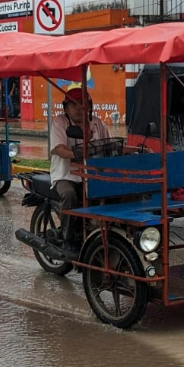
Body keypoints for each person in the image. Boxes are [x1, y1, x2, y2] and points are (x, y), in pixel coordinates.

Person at [49, 86, 111, 250]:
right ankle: (67, 238)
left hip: (90, 175)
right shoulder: (61, 122)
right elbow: (58, 148)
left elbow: (109, 145)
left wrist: (136, 149)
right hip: (65, 175)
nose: (79, 108)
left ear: (89, 106)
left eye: (83, 104)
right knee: (70, 195)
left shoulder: (97, 123)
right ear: (66, 108)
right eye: (74, 105)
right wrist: (78, 154)